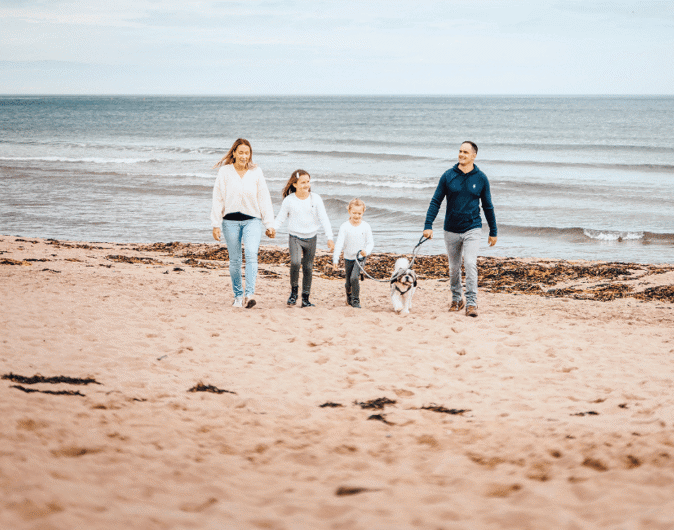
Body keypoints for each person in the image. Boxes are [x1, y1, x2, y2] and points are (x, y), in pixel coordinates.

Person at [423, 141, 497, 317]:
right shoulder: (448, 176)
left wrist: (493, 231)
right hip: (451, 229)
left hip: (473, 227)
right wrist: (428, 225)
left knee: (470, 263)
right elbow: (436, 201)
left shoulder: (481, 178)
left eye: (465, 152)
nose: (461, 154)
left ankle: (471, 303)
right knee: (454, 268)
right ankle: (457, 299)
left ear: (474, 156)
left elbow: (488, 206)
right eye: (460, 151)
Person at [210, 138, 275, 308]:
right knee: (235, 260)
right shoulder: (225, 172)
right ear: (234, 153)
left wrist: (269, 224)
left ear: (250, 155)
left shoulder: (256, 172)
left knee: (252, 254)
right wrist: (215, 224)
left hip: (252, 220)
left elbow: (264, 198)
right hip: (230, 221)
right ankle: (238, 295)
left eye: (247, 153)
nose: (244, 156)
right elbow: (218, 198)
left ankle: (250, 294)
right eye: (241, 152)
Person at [272, 169, 335, 308]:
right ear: (295, 184)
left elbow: (324, 219)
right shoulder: (289, 200)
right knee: (295, 263)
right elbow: (281, 217)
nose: (307, 185)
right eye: (303, 182)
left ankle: (305, 298)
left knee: (308, 268)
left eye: (308, 181)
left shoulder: (315, 198)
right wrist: (273, 229)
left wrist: (329, 238)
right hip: (295, 237)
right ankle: (294, 293)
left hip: (311, 238)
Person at [332, 198, 374, 309]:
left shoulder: (366, 226)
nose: (356, 216)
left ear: (363, 212)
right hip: (348, 257)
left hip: (360, 258)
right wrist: (335, 259)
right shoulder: (344, 227)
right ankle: (349, 296)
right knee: (348, 282)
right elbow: (339, 244)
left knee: (354, 278)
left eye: (359, 213)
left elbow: (370, 243)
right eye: (354, 213)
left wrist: (366, 251)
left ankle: (356, 300)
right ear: (349, 211)